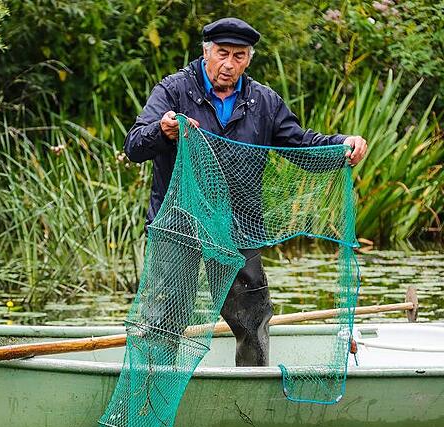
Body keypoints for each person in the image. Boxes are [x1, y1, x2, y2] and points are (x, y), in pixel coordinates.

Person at [123, 17, 368, 367]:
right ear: (206, 52)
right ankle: (152, 394)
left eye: (239, 56)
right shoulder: (174, 90)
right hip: (179, 223)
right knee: (165, 319)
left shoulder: (263, 101)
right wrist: (163, 131)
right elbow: (133, 145)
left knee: (253, 319)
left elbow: (300, 145)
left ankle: (250, 396)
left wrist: (342, 145)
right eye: (222, 53)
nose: (229, 64)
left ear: (248, 59)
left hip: (239, 226)